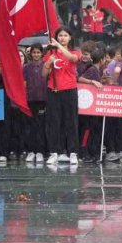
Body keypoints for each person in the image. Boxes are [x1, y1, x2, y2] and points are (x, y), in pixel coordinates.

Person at [42, 27, 81, 165]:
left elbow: (72, 58)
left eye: (65, 35)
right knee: (54, 122)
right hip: (54, 91)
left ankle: (73, 152)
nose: (62, 38)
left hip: (69, 90)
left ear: (70, 38)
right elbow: (44, 74)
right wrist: (48, 62)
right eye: (60, 35)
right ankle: (54, 152)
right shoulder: (51, 54)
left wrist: (58, 46)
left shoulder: (75, 51)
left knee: (71, 122)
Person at [22, 44, 48, 163]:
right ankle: (31, 151)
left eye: (38, 52)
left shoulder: (46, 66)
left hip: (43, 100)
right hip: (30, 99)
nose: (36, 55)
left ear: (42, 54)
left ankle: (40, 152)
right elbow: (24, 82)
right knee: (30, 126)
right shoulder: (26, 67)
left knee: (41, 126)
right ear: (30, 54)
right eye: (34, 52)